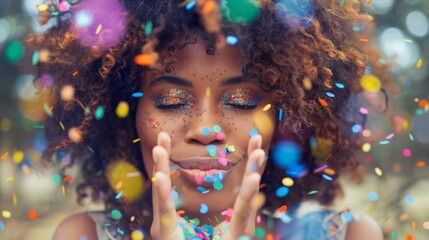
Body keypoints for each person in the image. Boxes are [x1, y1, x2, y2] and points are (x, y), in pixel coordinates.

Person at [26, 0, 390, 239]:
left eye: (242, 101)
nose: (206, 130)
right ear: (127, 116)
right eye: (170, 101)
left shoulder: (352, 234)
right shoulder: (82, 235)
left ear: (286, 118)